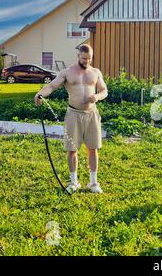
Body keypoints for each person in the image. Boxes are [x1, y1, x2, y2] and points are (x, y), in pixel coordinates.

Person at [35, 44, 108, 193]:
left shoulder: (95, 72)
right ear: (78, 56)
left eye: (89, 59)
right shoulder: (67, 72)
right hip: (73, 115)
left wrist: (97, 96)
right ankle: (74, 182)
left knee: (93, 149)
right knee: (72, 149)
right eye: (84, 58)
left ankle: (93, 183)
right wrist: (40, 94)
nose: (87, 61)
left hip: (91, 114)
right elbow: (52, 86)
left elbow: (104, 90)